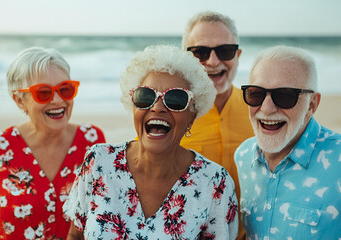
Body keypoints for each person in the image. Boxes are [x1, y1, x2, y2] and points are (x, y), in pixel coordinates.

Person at [63, 45, 238, 239]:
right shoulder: (98, 161)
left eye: (176, 99)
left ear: (192, 116)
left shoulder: (215, 184)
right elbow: (75, 236)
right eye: (145, 96)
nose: (157, 107)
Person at [0, 46, 106, 239]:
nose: (58, 100)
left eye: (65, 89)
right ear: (19, 100)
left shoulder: (92, 141)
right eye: (43, 92)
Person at [235, 45, 341, 239]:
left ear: (312, 104)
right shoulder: (243, 156)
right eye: (256, 94)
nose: (267, 108)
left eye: (285, 96)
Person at [181, 11, 254, 239]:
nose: (213, 61)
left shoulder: (261, 109)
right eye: (201, 52)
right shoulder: (170, 113)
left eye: (225, 51)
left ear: (238, 54)